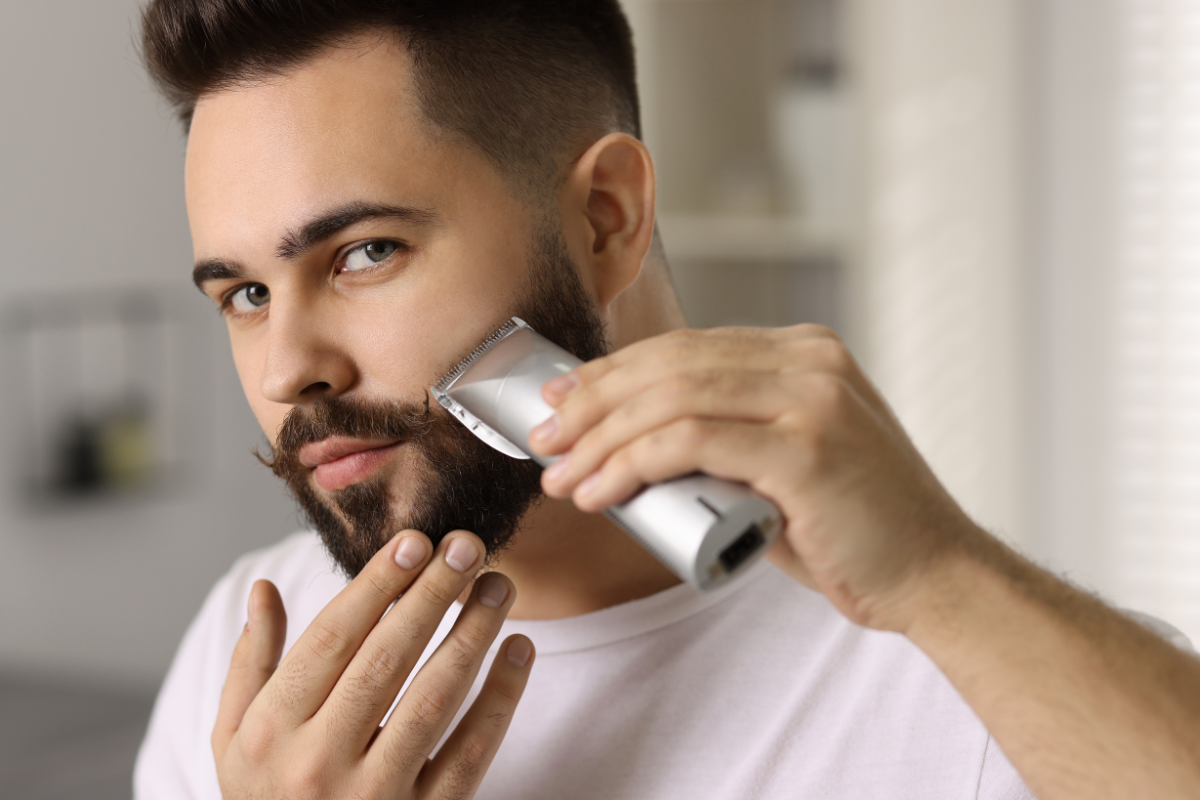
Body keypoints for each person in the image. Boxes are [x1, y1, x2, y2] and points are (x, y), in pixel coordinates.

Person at [132, 2, 1200, 799]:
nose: (286, 371)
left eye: (365, 252)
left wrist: (941, 579)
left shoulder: (961, 682)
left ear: (606, 217)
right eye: (245, 293)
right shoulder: (257, 660)